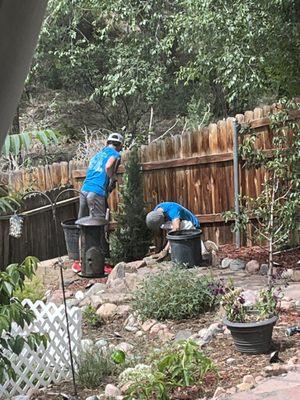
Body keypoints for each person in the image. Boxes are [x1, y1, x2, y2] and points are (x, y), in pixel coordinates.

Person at [72, 132, 123, 273]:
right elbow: (108, 166)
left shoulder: (97, 155)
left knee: (82, 226)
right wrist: (112, 178)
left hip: (84, 191)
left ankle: (79, 262)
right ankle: (101, 263)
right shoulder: (115, 154)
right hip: (96, 193)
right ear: (119, 145)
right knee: (99, 227)